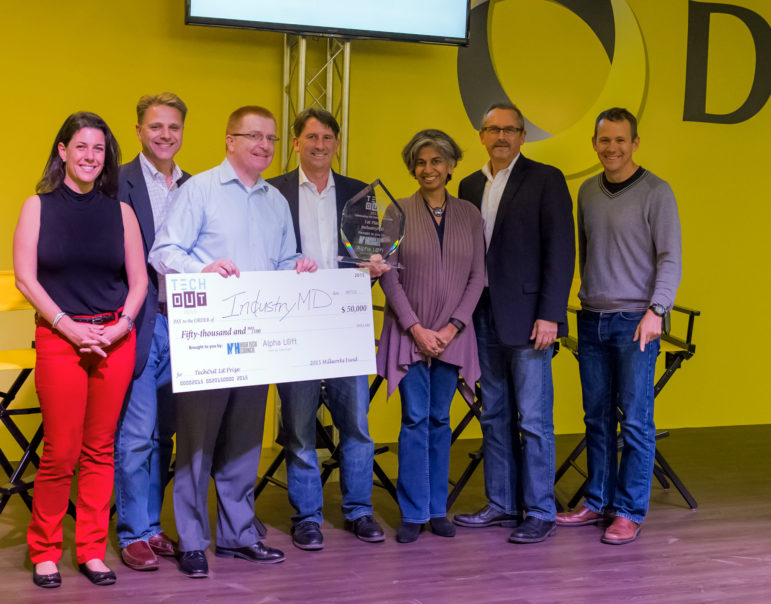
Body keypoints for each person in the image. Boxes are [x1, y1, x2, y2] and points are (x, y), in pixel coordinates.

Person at [148, 105, 316, 578]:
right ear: (229, 140)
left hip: (257, 341)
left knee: (244, 441)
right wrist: (201, 270)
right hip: (207, 340)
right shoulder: (198, 190)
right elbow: (163, 251)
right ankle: (193, 540)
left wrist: (297, 266)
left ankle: (238, 534)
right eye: (254, 137)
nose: (264, 146)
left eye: (271, 139)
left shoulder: (275, 201)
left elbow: (285, 258)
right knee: (197, 444)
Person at [13, 112, 147, 587]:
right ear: (63, 151)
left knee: (99, 450)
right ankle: (45, 550)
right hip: (60, 338)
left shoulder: (122, 213)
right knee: (61, 452)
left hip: (114, 339)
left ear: (106, 157)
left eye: (99, 149)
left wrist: (122, 325)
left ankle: (91, 549)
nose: (91, 156)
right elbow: (26, 278)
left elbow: (139, 281)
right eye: (81, 147)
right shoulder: (38, 206)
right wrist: (67, 326)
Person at [556, 107, 681, 544]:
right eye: (604, 140)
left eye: (621, 140)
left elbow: (671, 259)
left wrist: (657, 311)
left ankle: (629, 511)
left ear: (635, 143)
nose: (612, 148)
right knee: (596, 418)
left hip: (636, 323)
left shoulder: (657, 192)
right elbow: (586, 251)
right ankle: (598, 501)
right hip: (592, 319)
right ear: (594, 143)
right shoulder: (587, 192)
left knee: (636, 424)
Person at [452, 102, 575, 544]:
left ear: (523, 136)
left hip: (529, 321)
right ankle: (502, 504)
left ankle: (540, 509)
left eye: (510, 130)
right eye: (493, 129)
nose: (501, 137)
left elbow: (561, 251)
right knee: (494, 413)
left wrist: (551, 315)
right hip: (480, 317)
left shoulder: (546, 179)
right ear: (481, 136)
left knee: (534, 418)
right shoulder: (467, 185)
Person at [268, 108, 387, 550]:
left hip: (345, 323)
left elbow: (372, 257)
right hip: (293, 324)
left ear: (337, 144)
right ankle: (307, 517)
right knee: (299, 428)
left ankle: (358, 511)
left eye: (328, 138)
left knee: (355, 424)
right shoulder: (272, 191)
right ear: (296, 142)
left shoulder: (360, 194)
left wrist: (374, 268)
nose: (320, 145)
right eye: (311, 137)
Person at [377, 129, 484, 544]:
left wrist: (451, 327)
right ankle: (412, 511)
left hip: (453, 336)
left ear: (451, 166)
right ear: (412, 168)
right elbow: (386, 274)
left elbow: (478, 277)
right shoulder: (396, 213)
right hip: (410, 334)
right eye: (420, 162)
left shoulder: (471, 215)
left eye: (436, 161)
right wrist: (417, 329)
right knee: (414, 420)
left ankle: (438, 509)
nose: (428, 169)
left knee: (441, 421)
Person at [114, 93, 190, 571]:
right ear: (139, 129)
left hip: (186, 323)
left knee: (166, 435)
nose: (165, 135)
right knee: (136, 433)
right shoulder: (116, 181)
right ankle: (131, 531)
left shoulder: (195, 185)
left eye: (174, 127)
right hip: (139, 322)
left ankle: (153, 525)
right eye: (156, 126)